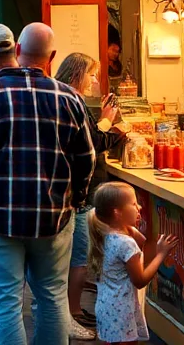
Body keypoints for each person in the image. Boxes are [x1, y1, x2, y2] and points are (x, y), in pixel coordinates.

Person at [0, 22, 95, 345]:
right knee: (52, 296)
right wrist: (76, 199)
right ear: (53, 57)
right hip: (55, 217)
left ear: (18, 51)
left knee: (6, 298)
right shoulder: (69, 98)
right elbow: (86, 159)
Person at [55, 52, 127, 339]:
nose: (95, 79)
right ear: (78, 75)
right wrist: (114, 125)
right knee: (78, 258)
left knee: (77, 256)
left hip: (76, 193)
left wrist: (107, 122)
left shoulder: (67, 99)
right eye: (92, 73)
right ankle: (71, 312)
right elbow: (93, 143)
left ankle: (70, 311)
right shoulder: (73, 100)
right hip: (79, 195)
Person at [87, 183, 175, 345]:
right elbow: (140, 280)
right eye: (134, 204)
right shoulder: (125, 244)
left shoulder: (104, 233)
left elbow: (142, 242)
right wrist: (161, 254)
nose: (139, 207)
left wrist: (130, 226)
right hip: (122, 314)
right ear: (117, 213)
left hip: (107, 308)